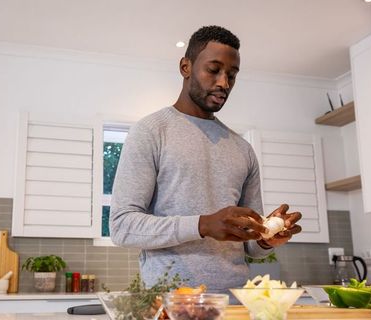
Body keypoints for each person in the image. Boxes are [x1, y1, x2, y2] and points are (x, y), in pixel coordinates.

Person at [109, 25, 302, 292]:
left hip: (234, 304)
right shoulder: (151, 132)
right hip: (169, 303)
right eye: (214, 70)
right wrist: (203, 225)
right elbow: (122, 227)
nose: (223, 83)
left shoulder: (242, 149)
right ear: (185, 67)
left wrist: (267, 237)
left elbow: (250, 248)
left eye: (231, 75)